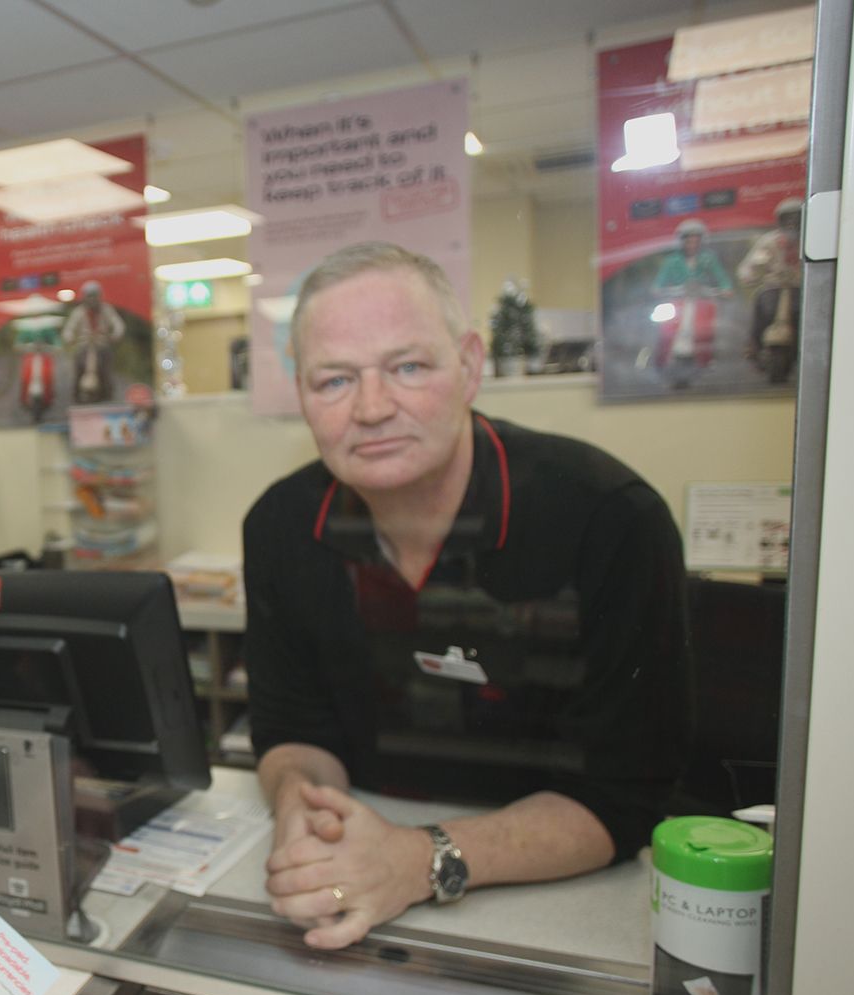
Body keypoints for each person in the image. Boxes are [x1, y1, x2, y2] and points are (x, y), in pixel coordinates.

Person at [244, 241, 689, 950]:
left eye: (408, 367)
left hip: (567, 903)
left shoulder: (608, 519)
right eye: (333, 380)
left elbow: (626, 795)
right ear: (300, 392)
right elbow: (293, 727)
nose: (372, 407)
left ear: (470, 366)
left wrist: (421, 860)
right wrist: (301, 801)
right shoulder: (281, 526)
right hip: (359, 869)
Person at [650, 218, 733, 382]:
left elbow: (721, 277)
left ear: (702, 241)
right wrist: (658, 290)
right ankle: (662, 359)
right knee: (665, 330)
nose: (692, 244)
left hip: (701, 299)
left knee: (708, 328)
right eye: (688, 240)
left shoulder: (708, 258)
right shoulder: (672, 261)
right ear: (681, 242)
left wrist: (725, 288)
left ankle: (707, 359)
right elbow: (659, 283)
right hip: (678, 301)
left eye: (696, 240)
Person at [737, 197, 804, 379]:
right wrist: (751, 275)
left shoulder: (810, 239)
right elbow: (750, 267)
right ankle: (753, 346)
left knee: (803, 314)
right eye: (787, 219)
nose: (792, 224)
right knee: (763, 308)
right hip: (773, 287)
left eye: (796, 219)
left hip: (800, 289)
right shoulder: (769, 242)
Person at [61, 279, 125, 403]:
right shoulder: (79, 312)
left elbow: (118, 324)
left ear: (99, 296)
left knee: (106, 367)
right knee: (78, 366)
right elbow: (69, 328)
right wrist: (69, 338)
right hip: (84, 345)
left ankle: (108, 393)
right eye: (89, 296)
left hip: (102, 345)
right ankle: (76, 395)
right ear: (84, 297)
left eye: (94, 296)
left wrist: (116, 334)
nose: (92, 300)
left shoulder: (107, 310)